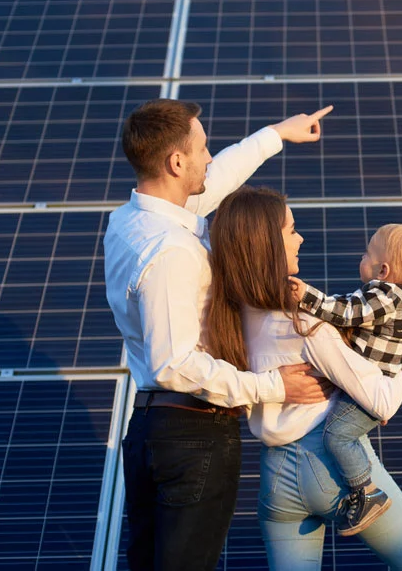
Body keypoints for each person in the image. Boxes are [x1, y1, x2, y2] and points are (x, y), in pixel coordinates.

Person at [103, 99, 335, 571]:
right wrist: (274, 386)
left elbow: (218, 179)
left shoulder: (129, 221)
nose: (210, 157)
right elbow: (176, 363)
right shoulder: (171, 253)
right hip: (193, 434)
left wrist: (276, 134)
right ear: (175, 162)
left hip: (153, 430)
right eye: (203, 148)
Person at [204, 187, 402, 570]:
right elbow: (382, 401)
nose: (301, 238)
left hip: (274, 478)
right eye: (292, 229)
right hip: (332, 467)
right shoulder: (305, 323)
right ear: (267, 243)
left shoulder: (226, 317)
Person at [291, 223, 402, 536]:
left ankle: (366, 491)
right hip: (374, 383)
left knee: (337, 436)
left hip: (372, 387)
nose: (361, 257)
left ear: (383, 269)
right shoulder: (400, 296)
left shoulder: (385, 297)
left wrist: (308, 297)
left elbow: (346, 313)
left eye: (366, 253)